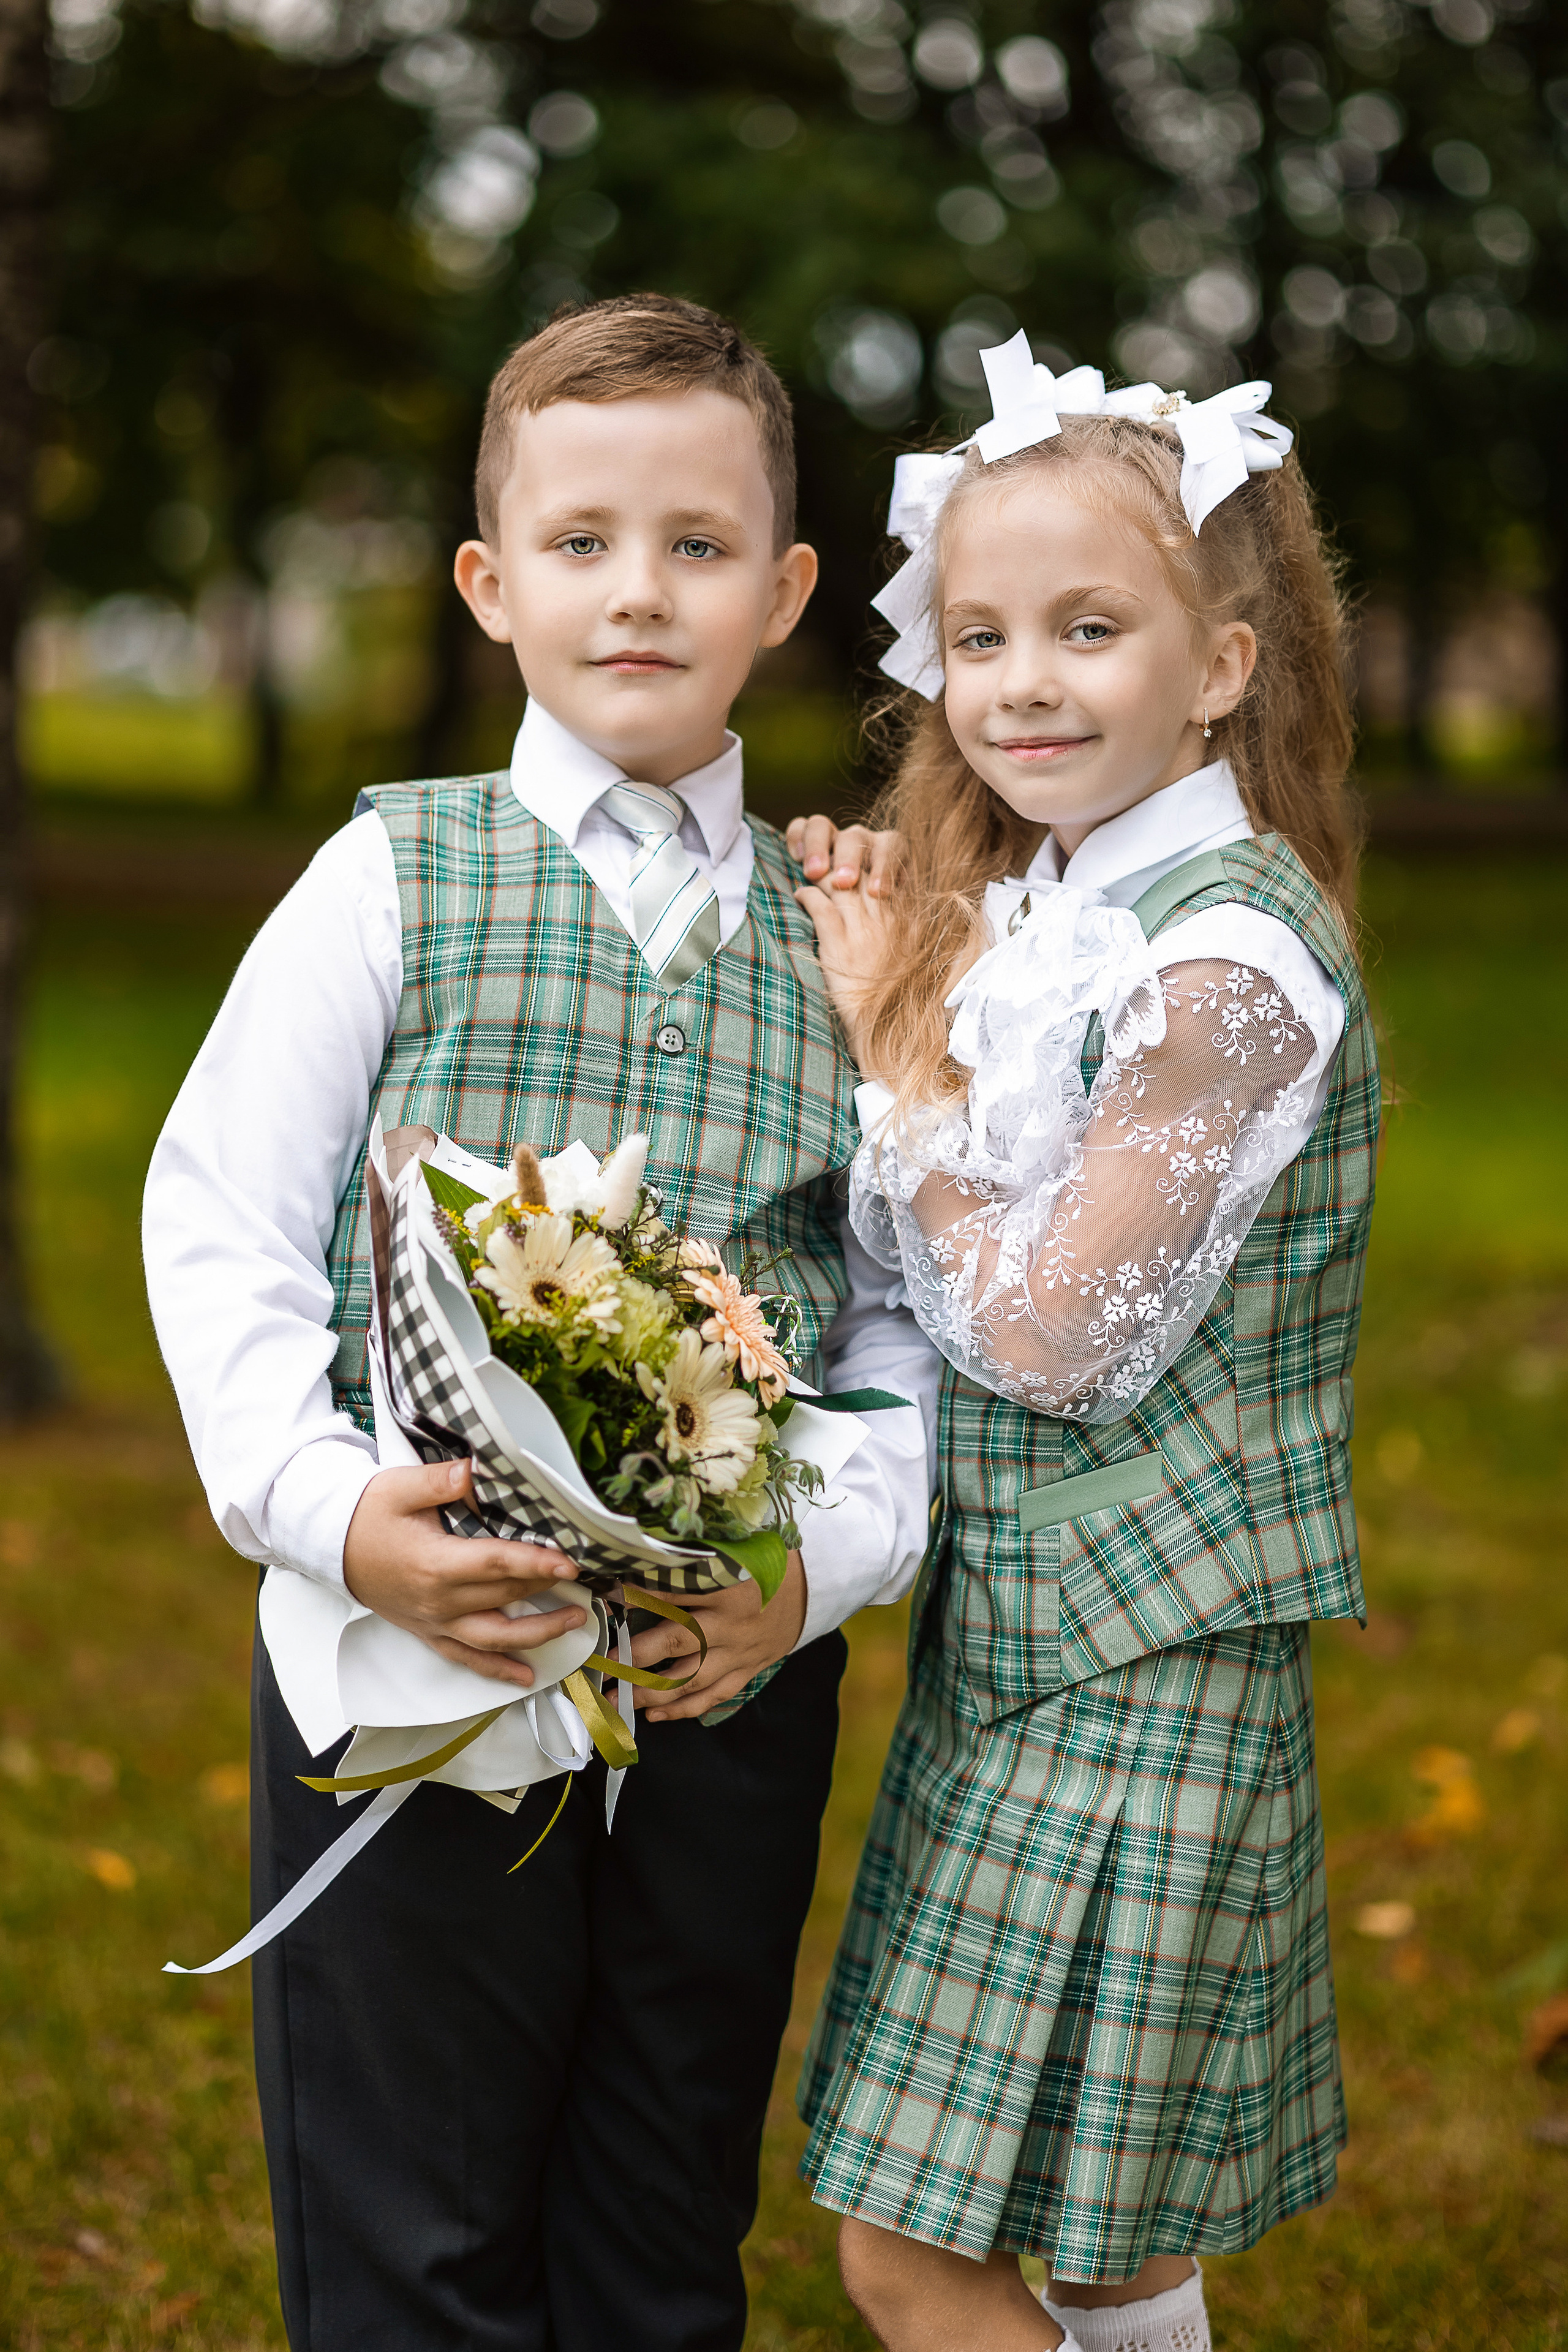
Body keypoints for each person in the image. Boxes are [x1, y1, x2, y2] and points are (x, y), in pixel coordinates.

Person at [142, 292, 939, 2352]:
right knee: (416, 2224)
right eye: (582, 544)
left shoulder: (846, 934)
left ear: (784, 592)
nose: (639, 594)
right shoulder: (388, 877)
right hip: (418, 1653)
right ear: (493, 585)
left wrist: (808, 1572)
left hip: (722, 1690)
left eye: (697, 547)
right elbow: (220, 1214)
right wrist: (329, 1512)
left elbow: (896, 1320)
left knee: (664, 2208)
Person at [786, 336, 1379, 2352]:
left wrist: (896, 1058)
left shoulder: (1225, 954)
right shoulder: (1054, 908)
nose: (1021, 681)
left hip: (1144, 1668)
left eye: (1088, 628)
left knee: (914, 2248)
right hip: (1033, 1655)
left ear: (1219, 664)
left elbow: (1049, 1336)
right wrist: (903, 970)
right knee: (1107, 2239)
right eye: (979, 635)